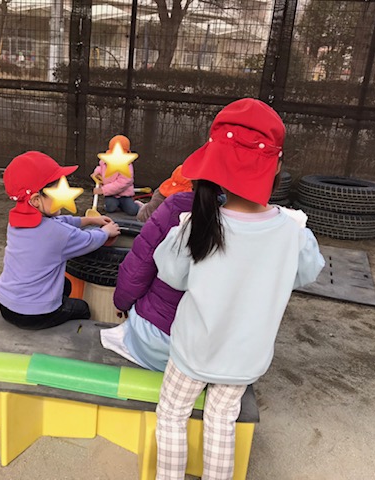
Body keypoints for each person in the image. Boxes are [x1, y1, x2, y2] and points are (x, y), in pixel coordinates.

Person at [152, 98, 325, 480]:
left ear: (213, 162)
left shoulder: (196, 224)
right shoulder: (293, 233)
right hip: (244, 357)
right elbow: (307, 273)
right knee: (221, 422)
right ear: (276, 166)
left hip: (192, 349)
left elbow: (170, 274)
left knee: (172, 415)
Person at [0, 151, 120, 330]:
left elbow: (59, 222)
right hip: (32, 315)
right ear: (36, 200)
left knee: (66, 285)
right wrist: (106, 232)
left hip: (6, 304)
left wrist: (88, 220)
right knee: (82, 308)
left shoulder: (16, 222)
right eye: (58, 190)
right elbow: (88, 240)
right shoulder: (59, 234)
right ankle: (68, 337)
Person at [101, 189, 195, 371]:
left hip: (155, 339)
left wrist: (122, 302)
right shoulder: (245, 229)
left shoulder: (177, 207)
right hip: (214, 355)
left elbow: (139, 266)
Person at [93, 135, 142, 216]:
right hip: (111, 194)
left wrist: (103, 190)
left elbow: (123, 182)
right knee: (110, 208)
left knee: (133, 211)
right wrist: (96, 173)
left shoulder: (127, 165)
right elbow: (100, 167)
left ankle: (134, 204)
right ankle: (116, 205)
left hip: (124, 194)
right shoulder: (106, 160)